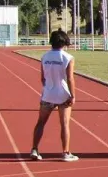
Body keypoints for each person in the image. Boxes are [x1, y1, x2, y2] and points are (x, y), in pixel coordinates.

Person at [30, 30, 79, 162]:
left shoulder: (44, 57)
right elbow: (70, 78)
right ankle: (66, 152)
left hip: (48, 94)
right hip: (63, 94)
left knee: (41, 123)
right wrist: (73, 95)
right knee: (64, 124)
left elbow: (42, 78)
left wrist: (48, 88)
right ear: (65, 42)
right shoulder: (68, 58)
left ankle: (34, 149)